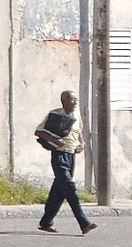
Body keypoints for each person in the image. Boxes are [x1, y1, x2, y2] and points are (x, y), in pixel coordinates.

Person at [36, 90, 96, 235]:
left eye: (76, 100)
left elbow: (79, 133)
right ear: (64, 101)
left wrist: (82, 144)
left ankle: (46, 222)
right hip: (59, 155)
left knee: (59, 191)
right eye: (72, 100)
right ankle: (84, 223)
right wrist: (55, 140)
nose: (75, 103)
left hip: (71, 155)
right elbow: (39, 132)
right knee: (69, 187)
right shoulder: (55, 115)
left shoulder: (76, 116)